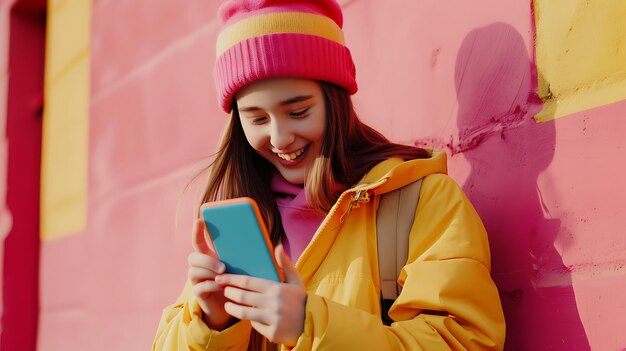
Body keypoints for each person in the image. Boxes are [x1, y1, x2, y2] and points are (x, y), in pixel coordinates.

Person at [153, 0, 505, 350]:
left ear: (333, 99)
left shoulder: (419, 201)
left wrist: (308, 326)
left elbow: (462, 341)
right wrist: (213, 323)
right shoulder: (242, 224)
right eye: (257, 118)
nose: (279, 138)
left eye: (298, 111)